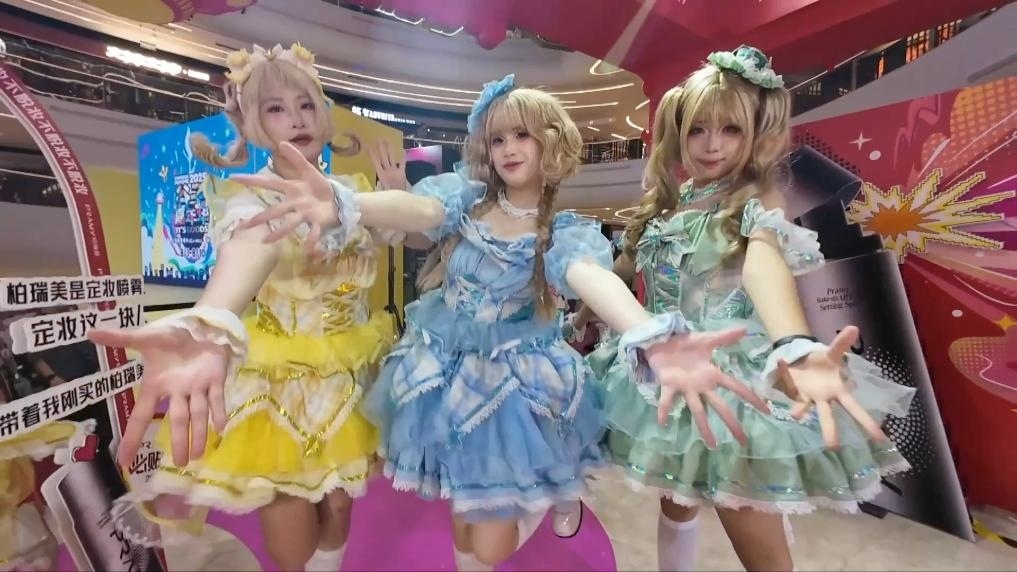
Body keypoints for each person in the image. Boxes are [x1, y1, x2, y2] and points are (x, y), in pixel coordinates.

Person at [234, 73, 768, 570]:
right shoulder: (465, 199)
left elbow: (587, 275)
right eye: (498, 139)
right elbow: (421, 214)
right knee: (464, 517)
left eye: (523, 136)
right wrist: (350, 202)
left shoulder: (561, 230)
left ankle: (550, 497)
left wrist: (646, 330)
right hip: (444, 369)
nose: (509, 148)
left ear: (549, 143)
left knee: (489, 542)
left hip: (515, 381)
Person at [573, 46, 916, 571]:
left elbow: (763, 265)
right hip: (664, 367)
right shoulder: (664, 205)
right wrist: (581, 316)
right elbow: (621, 272)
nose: (712, 145)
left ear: (756, 133)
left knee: (752, 527)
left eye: (730, 129)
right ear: (678, 133)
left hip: (733, 378)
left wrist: (793, 343)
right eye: (698, 130)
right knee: (676, 498)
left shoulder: (758, 201)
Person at [88, 43, 397, 572]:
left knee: (341, 502)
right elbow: (246, 254)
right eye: (276, 108)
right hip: (278, 383)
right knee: (289, 511)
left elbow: (393, 233)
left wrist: (393, 194)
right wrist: (209, 317)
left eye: (306, 104)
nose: (296, 119)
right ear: (254, 123)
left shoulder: (352, 190)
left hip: (348, 374)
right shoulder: (250, 202)